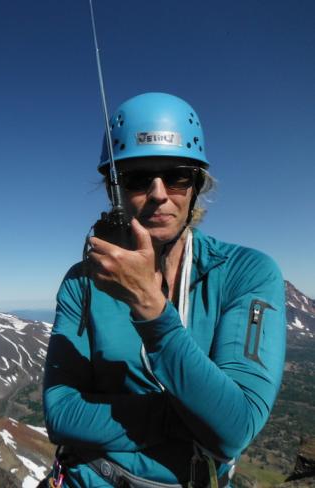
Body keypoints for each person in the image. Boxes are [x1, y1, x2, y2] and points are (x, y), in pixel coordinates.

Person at [42, 92, 286, 488]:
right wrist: (190, 418)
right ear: (114, 191)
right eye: (138, 178)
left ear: (196, 186)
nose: (159, 193)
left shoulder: (247, 273)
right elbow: (60, 413)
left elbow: (234, 430)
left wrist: (151, 309)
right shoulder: (84, 282)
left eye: (177, 176)